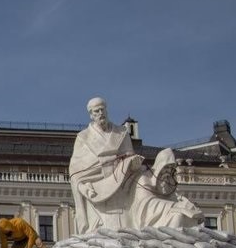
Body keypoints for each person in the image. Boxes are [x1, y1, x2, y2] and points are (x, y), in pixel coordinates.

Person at [68, 97, 202, 234]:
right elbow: (76, 170)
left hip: (123, 181)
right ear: (91, 115)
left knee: (143, 182)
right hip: (98, 187)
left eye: (102, 110)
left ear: (106, 110)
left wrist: (132, 163)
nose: (100, 113)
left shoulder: (121, 132)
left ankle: (160, 216)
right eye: (96, 111)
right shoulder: (83, 137)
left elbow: (129, 155)